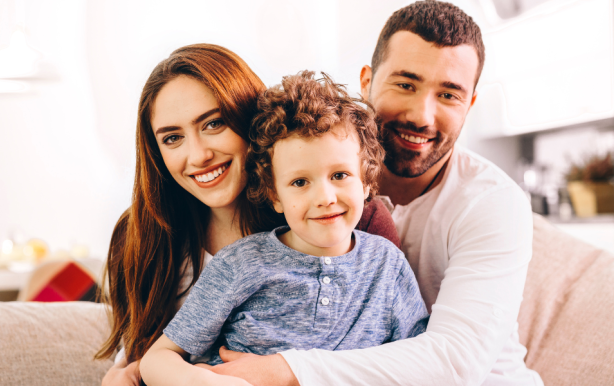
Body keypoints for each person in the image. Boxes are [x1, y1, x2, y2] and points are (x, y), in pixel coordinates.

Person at [205, 2, 544, 385]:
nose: (422, 115)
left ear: (471, 103)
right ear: (366, 81)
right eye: (405, 84)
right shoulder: (314, 185)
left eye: (449, 95)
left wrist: (288, 369)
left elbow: (455, 362)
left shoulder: (493, 202)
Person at [97, 44, 400, 386]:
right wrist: (122, 371)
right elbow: (146, 351)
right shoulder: (141, 234)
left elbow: (406, 355)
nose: (198, 156)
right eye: (172, 138)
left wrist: (289, 371)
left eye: (213, 123)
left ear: (249, 119)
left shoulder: (349, 220)